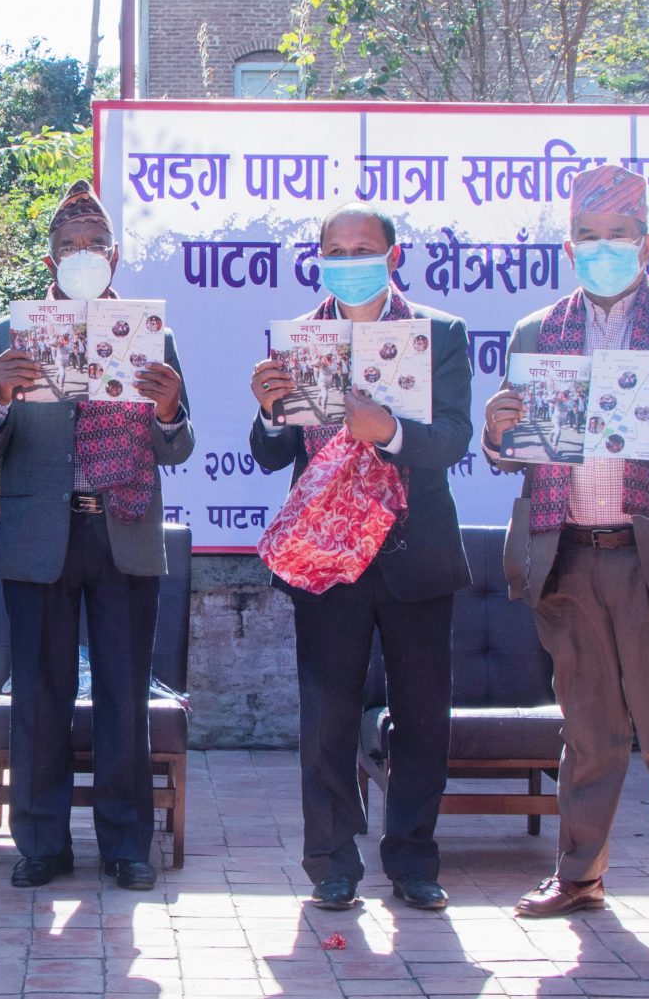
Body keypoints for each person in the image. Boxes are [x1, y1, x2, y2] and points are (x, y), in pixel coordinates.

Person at [480, 164, 649, 933]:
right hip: (568, 555)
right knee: (588, 733)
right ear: (569, 245)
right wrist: (497, 437)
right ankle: (580, 874)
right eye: (587, 238)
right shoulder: (537, 331)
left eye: (617, 237)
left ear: (647, 244)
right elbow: (515, 451)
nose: (602, 249)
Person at [0, 180, 192, 893]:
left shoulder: (153, 333)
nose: (83, 253)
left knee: (126, 696)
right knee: (39, 694)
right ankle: (41, 841)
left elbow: (180, 446)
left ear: (115, 256)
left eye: (95, 243)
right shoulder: (5, 338)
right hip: (39, 535)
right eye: (70, 245)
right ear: (49, 259)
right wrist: (0, 395)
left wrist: (166, 409)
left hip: (122, 529)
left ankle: (128, 845)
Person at [246, 203, 473, 913]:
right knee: (327, 719)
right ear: (319, 257)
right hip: (326, 558)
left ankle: (412, 858)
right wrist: (265, 409)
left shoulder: (441, 334)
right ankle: (332, 862)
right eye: (335, 248)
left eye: (363, 247)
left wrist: (392, 432)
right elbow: (269, 452)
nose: (349, 258)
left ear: (393, 255)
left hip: (414, 551)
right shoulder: (297, 339)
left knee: (422, 716)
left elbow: (456, 438)